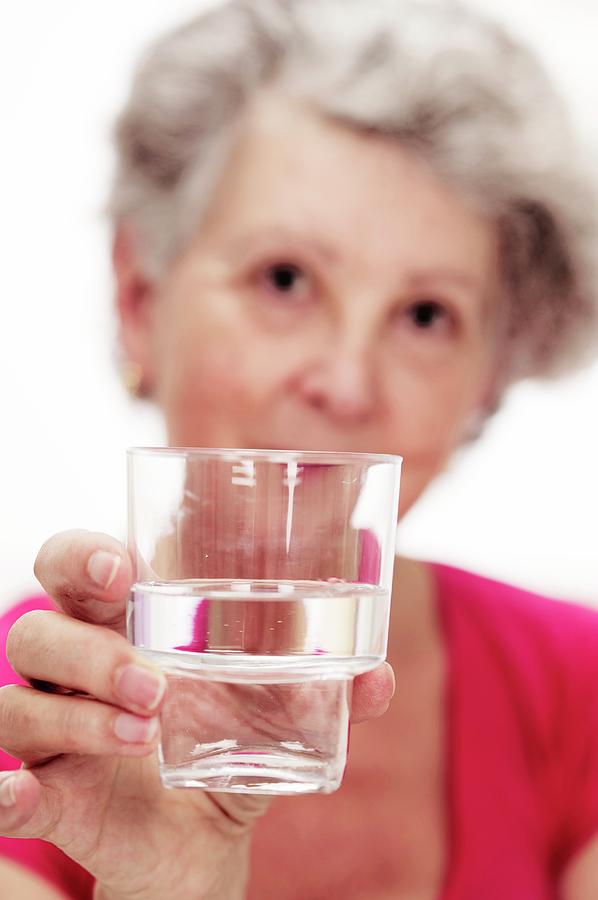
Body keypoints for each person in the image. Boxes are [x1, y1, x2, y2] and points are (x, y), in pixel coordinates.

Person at [1, 0, 598, 897]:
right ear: (138, 299)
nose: (347, 382)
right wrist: (177, 881)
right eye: (284, 279)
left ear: (489, 376)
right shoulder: (28, 722)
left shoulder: (578, 688)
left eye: (427, 315)